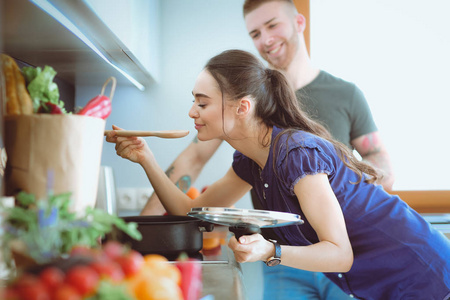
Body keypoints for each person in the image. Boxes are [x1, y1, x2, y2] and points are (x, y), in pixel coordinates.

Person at [106, 49, 450, 300]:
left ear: (242, 107)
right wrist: (145, 158)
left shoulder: (296, 154)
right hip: (384, 282)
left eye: (202, 102)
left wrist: (269, 250)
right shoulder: (250, 160)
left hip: (423, 270)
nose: (192, 112)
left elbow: (339, 253)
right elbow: (189, 213)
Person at [141, 0, 394, 299]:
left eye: (272, 25)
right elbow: (193, 159)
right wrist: (143, 230)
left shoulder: (345, 94)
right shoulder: (246, 101)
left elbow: (379, 162)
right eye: (255, 33)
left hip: (340, 250)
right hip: (281, 256)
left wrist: (349, 200)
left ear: (299, 23)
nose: (266, 39)